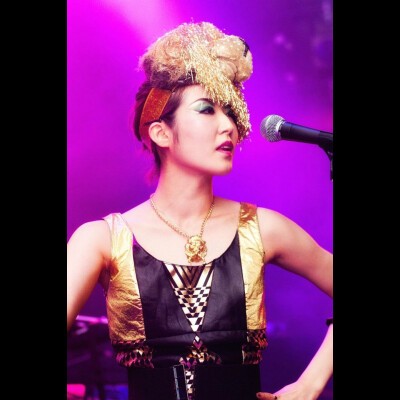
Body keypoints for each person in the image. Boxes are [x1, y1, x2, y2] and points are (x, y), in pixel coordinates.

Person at [67, 21, 333, 400]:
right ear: (161, 132)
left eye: (231, 112)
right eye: (207, 110)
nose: (229, 126)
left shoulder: (263, 228)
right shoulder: (102, 240)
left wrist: (309, 385)